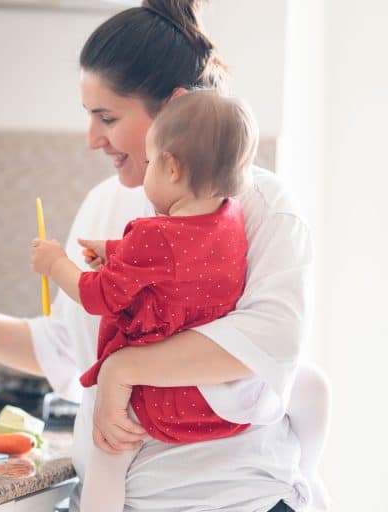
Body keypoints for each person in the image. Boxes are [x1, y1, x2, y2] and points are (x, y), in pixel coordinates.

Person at [0, 1, 329, 510]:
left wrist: (122, 369)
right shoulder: (104, 204)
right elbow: (64, 348)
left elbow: (268, 342)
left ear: (174, 108)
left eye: (107, 117)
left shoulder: (263, 207)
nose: (93, 139)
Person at [31, 89, 258, 511]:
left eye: (151, 162)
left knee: (104, 454)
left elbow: (95, 295)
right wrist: (117, 251)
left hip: (158, 398)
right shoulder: (229, 218)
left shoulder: (154, 233)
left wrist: (55, 263)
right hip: (216, 399)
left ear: (171, 168)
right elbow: (181, 263)